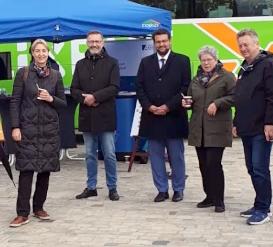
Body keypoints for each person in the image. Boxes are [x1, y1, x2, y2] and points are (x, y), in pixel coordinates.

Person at [8, 39, 67, 227]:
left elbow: (63, 103)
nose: (41, 54)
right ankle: (22, 213)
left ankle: (39, 207)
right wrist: (15, 127)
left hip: (49, 130)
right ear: (32, 53)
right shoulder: (23, 74)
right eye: (37, 51)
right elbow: (15, 101)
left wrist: (51, 98)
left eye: (44, 50)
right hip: (28, 129)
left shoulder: (56, 76)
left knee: (45, 171)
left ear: (48, 52)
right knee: (26, 171)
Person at [135, 28, 192, 203]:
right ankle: (161, 189)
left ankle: (178, 189)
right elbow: (140, 87)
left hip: (174, 116)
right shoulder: (145, 62)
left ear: (170, 41)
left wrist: (167, 106)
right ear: (154, 43)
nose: (161, 44)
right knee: (156, 156)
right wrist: (150, 106)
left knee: (176, 156)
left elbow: (185, 87)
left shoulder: (182, 61)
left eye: (164, 41)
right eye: (158, 42)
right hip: (152, 117)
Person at [232, 28, 273, 225]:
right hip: (246, 127)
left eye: (247, 44)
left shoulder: (268, 65)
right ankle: (258, 202)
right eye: (241, 45)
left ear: (256, 43)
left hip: (261, 128)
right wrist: (236, 122)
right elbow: (240, 98)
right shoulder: (244, 68)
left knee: (260, 168)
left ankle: (264, 209)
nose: (243, 48)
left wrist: (271, 123)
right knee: (251, 167)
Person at [71, 30, 121, 201]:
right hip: (87, 115)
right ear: (87, 43)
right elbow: (74, 89)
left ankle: (112, 187)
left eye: (97, 41)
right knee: (90, 154)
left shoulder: (112, 63)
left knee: (109, 154)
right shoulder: (80, 64)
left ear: (103, 43)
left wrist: (95, 97)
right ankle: (91, 187)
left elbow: (114, 88)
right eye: (91, 41)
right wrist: (86, 100)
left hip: (105, 115)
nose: (94, 44)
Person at [184, 46, 235, 213]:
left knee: (214, 163)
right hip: (199, 128)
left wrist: (217, 103)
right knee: (203, 164)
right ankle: (209, 196)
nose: (206, 63)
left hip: (217, 127)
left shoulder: (226, 76)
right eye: (203, 60)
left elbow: (235, 97)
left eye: (209, 59)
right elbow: (190, 99)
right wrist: (186, 104)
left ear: (215, 60)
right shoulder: (195, 80)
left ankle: (219, 199)